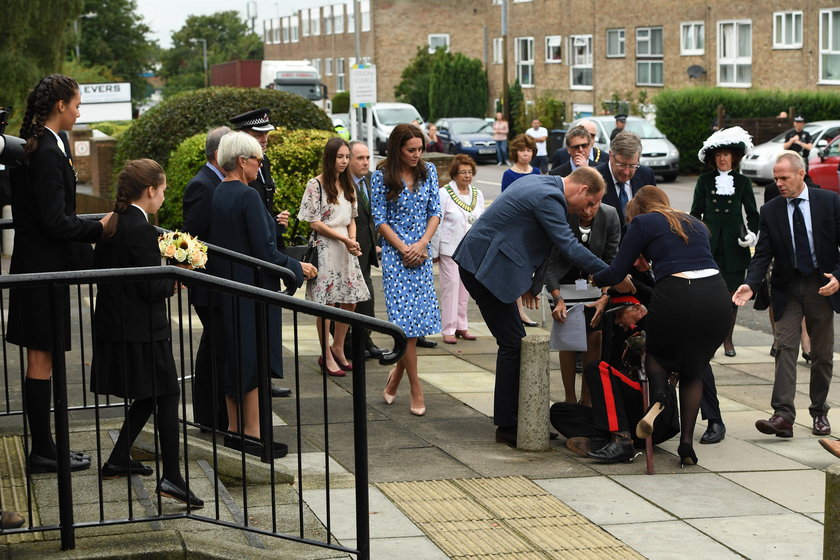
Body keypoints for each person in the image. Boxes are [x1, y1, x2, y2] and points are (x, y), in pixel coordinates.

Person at [454, 168, 635, 447]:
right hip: (484, 266)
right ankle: (508, 424)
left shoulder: (543, 185)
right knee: (513, 343)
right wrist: (613, 276)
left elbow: (547, 245)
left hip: (487, 262)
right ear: (582, 190)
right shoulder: (548, 197)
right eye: (589, 203)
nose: (589, 210)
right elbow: (568, 246)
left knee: (513, 342)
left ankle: (514, 419)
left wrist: (534, 284)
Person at [7, 74, 114, 474]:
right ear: (60, 107)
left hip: (42, 267)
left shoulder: (45, 144)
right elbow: (55, 220)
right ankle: (43, 450)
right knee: (41, 359)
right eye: (76, 104)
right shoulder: (47, 151)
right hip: (41, 269)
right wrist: (98, 229)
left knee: (45, 357)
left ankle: (48, 446)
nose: (79, 110)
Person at [592, 186, 732, 467]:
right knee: (694, 367)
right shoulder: (694, 221)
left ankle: (660, 396)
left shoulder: (643, 222)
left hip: (678, 293)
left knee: (655, 352)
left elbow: (618, 271)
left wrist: (594, 277)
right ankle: (687, 446)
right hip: (717, 296)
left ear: (639, 209)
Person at [91, 159, 203, 508]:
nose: (164, 197)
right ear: (151, 189)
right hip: (139, 328)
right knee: (166, 393)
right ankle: (171, 476)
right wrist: (177, 275)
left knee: (151, 394)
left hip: (119, 324)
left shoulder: (116, 222)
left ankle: (118, 457)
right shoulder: (139, 229)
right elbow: (149, 287)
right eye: (164, 190)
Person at [209, 132, 316, 457]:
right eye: (257, 160)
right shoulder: (247, 196)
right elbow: (265, 252)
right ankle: (254, 436)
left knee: (233, 357)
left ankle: (234, 430)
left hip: (229, 286)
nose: (260, 165)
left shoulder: (220, 192)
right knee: (252, 358)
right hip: (253, 289)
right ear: (243, 161)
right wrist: (298, 268)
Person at [734, 151, 840, 439]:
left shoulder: (829, 203)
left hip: (821, 285)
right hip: (788, 287)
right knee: (785, 348)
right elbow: (763, 254)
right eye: (775, 178)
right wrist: (751, 284)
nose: (778, 183)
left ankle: (819, 412)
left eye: (783, 177)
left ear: (801, 174)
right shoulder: (771, 210)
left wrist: (839, 278)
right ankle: (783, 415)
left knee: (821, 355)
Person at [371, 124, 442, 417]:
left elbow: (435, 211)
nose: (417, 154)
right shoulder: (381, 176)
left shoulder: (429, 172)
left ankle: (395, 377)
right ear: (397, 148)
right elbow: (379, 218)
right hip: (395, 256)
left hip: (422, 255)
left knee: (415, 324)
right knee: (404, 324)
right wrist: (404, 248)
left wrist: (422, 244)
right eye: (410, 150)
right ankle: (416, 387)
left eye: (420, 149)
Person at [298, 137, 370, 376]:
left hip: (346, 247)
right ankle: (325, 355)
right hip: (326, 247)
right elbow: (314, 222)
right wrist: (344, 239)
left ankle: (338, 346)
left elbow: (352, 218)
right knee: (327, 303)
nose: (344, 161)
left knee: (351, 298)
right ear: (330, 158)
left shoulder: (349, 184)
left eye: (347, 156)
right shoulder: (315, 184)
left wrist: (352, 239)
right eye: (340, 156)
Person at [690, 126, 759, 360]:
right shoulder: (704, 181)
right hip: (709, 246)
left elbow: (753, 213)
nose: (722, 159)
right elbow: (695, 213)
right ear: (713, 158)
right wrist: (696, 239)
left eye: (726, 154)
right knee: (708, 296)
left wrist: (752, 235)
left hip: (734, 247)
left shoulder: (742, 182)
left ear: (734, 157)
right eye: (718, 155)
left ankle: (727, 338)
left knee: (732, 297)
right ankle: (708, 338)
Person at [541, 200, 620, 404]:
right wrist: (557, 297)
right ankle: (569, 398)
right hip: (562, 286)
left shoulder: (610, 215)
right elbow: (549, 263)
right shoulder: (562, 215)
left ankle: (587, 399)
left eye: (592, 206)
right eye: (583, 206)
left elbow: (612, 259)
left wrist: (606, 295)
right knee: (568, 339)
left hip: (596, 284)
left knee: (595, 338)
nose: (586, 211)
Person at [181, 127, 233, 432]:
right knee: (213, 350)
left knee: (217, 348)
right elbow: (196, 237)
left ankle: (214, 413)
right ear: (218, 154)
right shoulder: (203, 185)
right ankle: (208, 415)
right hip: (210, 284)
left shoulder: (218, 181)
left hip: (221, 283)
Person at [431, 154, 485, 344]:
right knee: (451, 288)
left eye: (470, 172)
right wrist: (434, 252)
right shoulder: (444, 193)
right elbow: (437, 223)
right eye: (463, 172)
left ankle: (462, 325)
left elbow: (483, 222)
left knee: (465, 289)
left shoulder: (477, 194)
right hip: (450, 249)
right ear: (454, 174)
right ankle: (448, 328)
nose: (467, 176)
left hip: (470, 251)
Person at [344, 141, 387, 360]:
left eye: (368, 157)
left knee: (367, 297)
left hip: (368, 248)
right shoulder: (341, 183)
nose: (365, 162)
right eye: (360, 158)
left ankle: (365, 338)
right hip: (348, 248)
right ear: (348, 159)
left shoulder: (371, 180)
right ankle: (348, 343)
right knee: (349, 298)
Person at [230, 108, 290, 247]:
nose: (264, 140)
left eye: (266, 134)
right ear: (242, 136)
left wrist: (276, 220)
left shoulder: (265, 160)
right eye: (258, 135)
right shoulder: (237, 166)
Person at [595, 131, 656, 230]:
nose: (626, 172)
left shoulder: (646, 175)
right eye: (622, 165)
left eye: (632, 166)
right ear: (610, 155)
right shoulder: (595, 177)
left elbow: (654, 214)